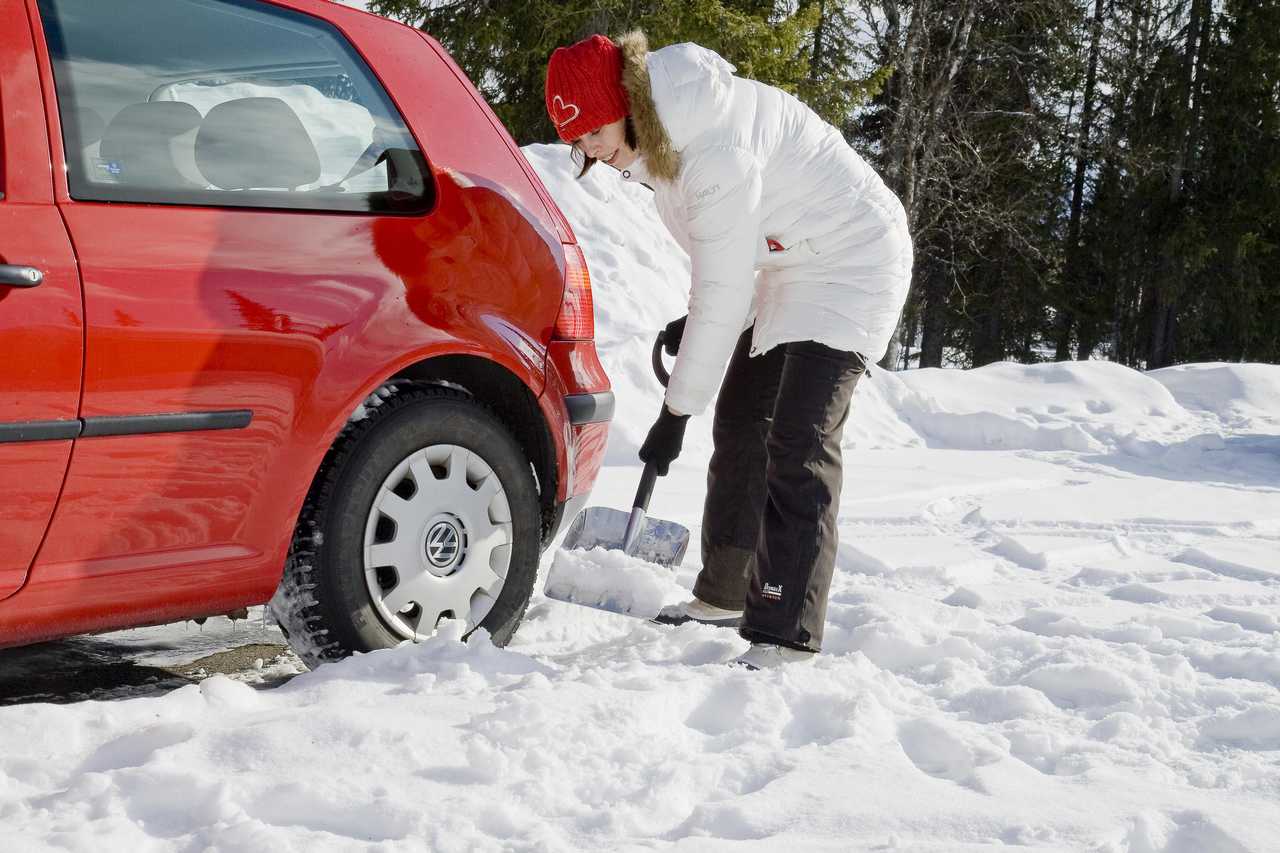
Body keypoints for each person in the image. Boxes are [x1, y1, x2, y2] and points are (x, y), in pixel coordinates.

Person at [545, 31, 912, 669]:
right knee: (743, 421)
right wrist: (702, 323)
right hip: (787, 266)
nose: (590, 150)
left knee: (799, 440)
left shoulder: (713, 148)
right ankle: (726, 593)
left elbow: (723, 278)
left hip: (854, 261)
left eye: (594, 130)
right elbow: (727, 270)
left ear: (627, 103)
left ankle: (786, 631)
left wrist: (673, 414)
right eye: (576, 141)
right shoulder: (665, 146)